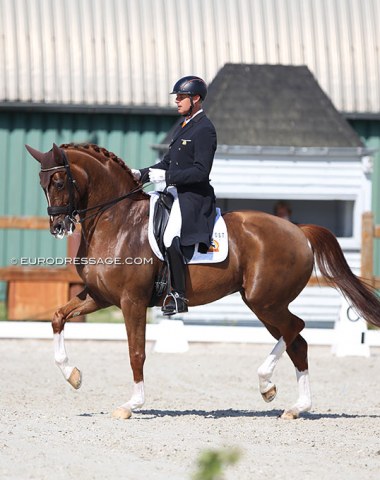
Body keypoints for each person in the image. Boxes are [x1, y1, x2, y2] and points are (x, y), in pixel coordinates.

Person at [131, 76, 217, 315]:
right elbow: (168, 162)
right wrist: (142, 174)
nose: (177, 101)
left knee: (170, 237)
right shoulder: (185, 126)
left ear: (195, 98)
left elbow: (201, 171)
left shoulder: (204, 129)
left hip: (193, 198)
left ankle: (178, 295)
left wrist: (167, 178)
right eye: (177, 97)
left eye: (181, 97)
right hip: (173, 193)